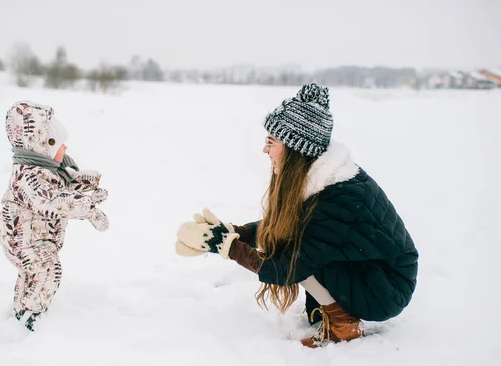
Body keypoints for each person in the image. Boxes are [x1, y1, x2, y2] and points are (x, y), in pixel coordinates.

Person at [176, 84, 418, 348]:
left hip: (384, 290)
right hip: (366, 270)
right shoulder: (322, 179)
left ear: (295, 149)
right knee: (292, 241)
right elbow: (289, 226)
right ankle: (331, 307)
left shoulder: (338, 198)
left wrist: (228, 246)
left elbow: (286, 267)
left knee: (291, 251)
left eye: (271, 142)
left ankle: (343, 323)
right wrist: (241, 232)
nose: (265, 150)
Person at [0, 101, 109, 331]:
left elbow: (60, 189)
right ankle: (31, 318)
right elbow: (55, 201)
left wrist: (83, 183)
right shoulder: (29, 176)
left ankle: (20, 310)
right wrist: (87, 207)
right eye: (60, 144)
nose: (66, 149)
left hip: (35, 240)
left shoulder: (44, 169)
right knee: (48, 271)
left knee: (32, 275)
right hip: (25, 242)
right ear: (43, 144)